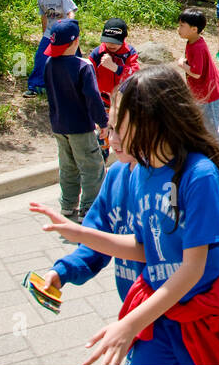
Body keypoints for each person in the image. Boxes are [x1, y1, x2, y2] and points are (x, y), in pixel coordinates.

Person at [36, 66, 219, 365]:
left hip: (210, 310)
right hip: (162, 310)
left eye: (118, 125)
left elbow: (192, 269)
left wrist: (129, 325)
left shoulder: (199, 176)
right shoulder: (138, 172)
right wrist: (81, 236)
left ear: (152, 122)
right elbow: (144, 248)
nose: (108, 134)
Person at [36, 84, 142, 305]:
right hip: (133, 308)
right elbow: (96, 238)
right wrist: (63, 271)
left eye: (122, 129)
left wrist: (80, 234)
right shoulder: (115, 176)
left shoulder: (169, 180)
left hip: (170, 314)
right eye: (110, 128)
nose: (112, 139)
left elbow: (163, 251)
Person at [43, 20, 108, 221]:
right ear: (76, 41)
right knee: (91, 166)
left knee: (68, 165)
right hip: (81, 126)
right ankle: (89, 208)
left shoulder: (49, 64)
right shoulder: (83, 66)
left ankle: (68, 205)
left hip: (59, 125)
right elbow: (93, 98)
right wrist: (103, 122)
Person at [178, 8, 219, 164]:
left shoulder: (198, 46)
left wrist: (182, 65)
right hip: (200, 93)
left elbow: (197, 73)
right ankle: (211, 156)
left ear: (194, 29)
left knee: (215, 128)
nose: (179, 29)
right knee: (203, 125)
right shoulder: (192, 41)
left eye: (182, 26)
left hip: (210, 93)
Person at [24, 0, 77, 97]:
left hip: (64, 34)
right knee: (41, 57)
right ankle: (36, 86)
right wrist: (44, 33)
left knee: (71, 60)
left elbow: (71, 13)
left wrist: (70, 30)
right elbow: (44, 16)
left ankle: (74, 85)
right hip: (49, 34)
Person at [87, 17, 139, 121]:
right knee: (104, 130)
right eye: (108, 41)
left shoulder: (129, 53)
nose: (111, 44)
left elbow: (136, 75)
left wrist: (116, 68)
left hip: (124, 100)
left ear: (124, 39)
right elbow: (87, 75)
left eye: (115, 41)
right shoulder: (97, 54)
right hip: (103, 100)